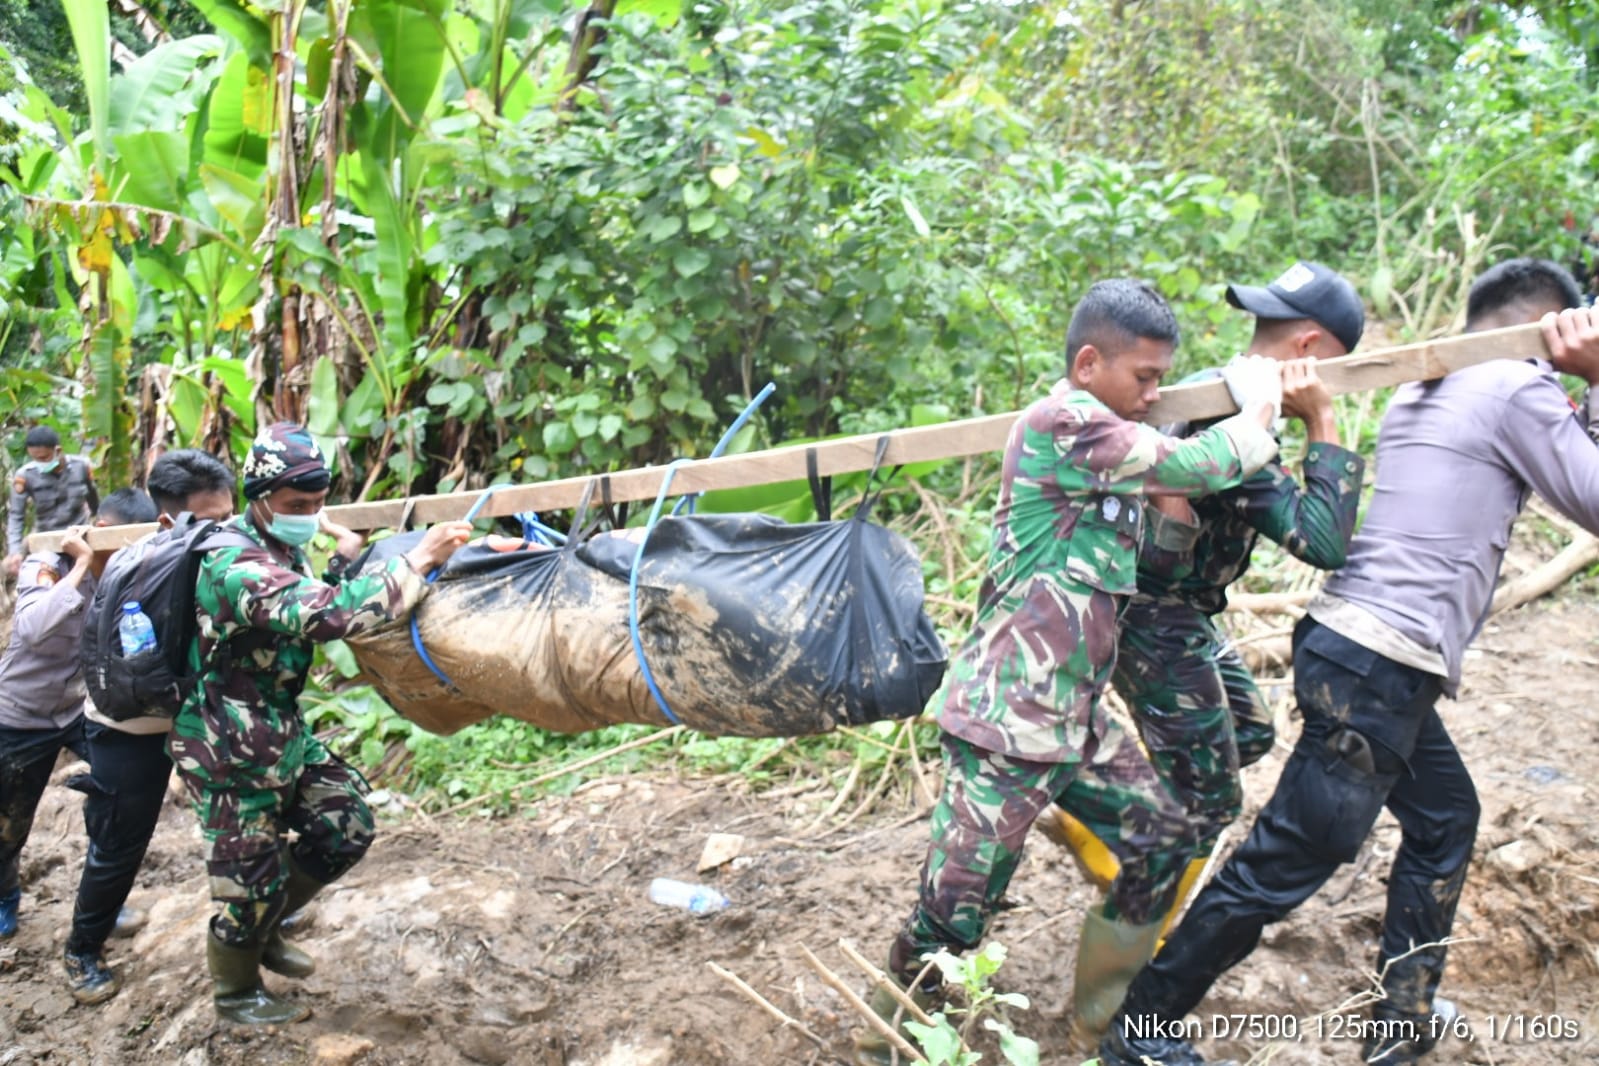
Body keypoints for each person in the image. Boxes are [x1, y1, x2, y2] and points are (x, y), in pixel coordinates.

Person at [1098, 259, 1599, 1066]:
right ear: (1548, 329)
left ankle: (1401, 1021)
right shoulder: (1514, 387)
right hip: (1378, 666)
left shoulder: (1423, 386)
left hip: (1360, 653)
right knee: (1284, 860)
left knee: (1444, 822)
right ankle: (1140, 1028)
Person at [856, 279, 1288, 1064]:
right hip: (1003, 724)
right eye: (1145, 379)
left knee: (1163, 837)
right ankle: (889, 1046)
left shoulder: (1108, 456)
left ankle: (1099, 1019)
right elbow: (1198, 463)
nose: (1153, 394)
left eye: (1162, 379)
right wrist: (1257, 406)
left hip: (1073, 723)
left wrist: (1175, 504)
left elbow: (1164, 544)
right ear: (1089, 363)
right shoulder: (1063, 423)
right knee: (953, 916)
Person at [1041, 262, 1367, 947]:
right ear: (1309, 348)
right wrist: (1325, 421)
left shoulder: (1227, 395)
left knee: (1248, 734)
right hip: (1152, 617)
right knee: (1209, 800)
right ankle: (1129, 942)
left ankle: (1099, 830)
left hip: (1181, 610)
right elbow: (1321, 541)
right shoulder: (1233, 414)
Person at [169, 422, 471, 1025]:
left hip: (280, 731)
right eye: (296, 506)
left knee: (345, 824)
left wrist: (342, 558)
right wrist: (419, 558)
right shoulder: (232, 559)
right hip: (227, 743)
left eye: (315, 504)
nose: (309, 514)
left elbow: (304, 602)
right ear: (260, 497)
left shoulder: (279, 546)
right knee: (244, 882)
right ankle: (235, 992)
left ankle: (268, 922)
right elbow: (328, 614)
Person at [62, 449, 240, 1004]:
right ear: (169, 520)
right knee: (118, 843)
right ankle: (82, 949)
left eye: (229, 517)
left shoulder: (229, 559)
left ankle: (257, 926)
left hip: (193, 716)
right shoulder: (142, 566)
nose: (224, 531)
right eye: (210, 522)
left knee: (243, 820)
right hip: (131, 725)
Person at [0, 489, 157, 947]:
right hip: (20, 714)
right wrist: (85, 565)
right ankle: (5, 896)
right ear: (101, 533)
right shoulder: (48, 563)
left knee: (116, 799)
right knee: (8, 823)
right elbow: (31, 628)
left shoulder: (134, 568)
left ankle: (104, 898)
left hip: (81, 709)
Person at [5, 426, 100, 578]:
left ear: (58, 450)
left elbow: (95, 501)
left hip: (79, 536)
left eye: (43, 458)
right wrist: (14, 551)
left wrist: (98, 524)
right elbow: (16, 515)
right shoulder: (25, 475)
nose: (39, 462)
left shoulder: (81, 467)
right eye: (35, 458)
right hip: (46, 541)